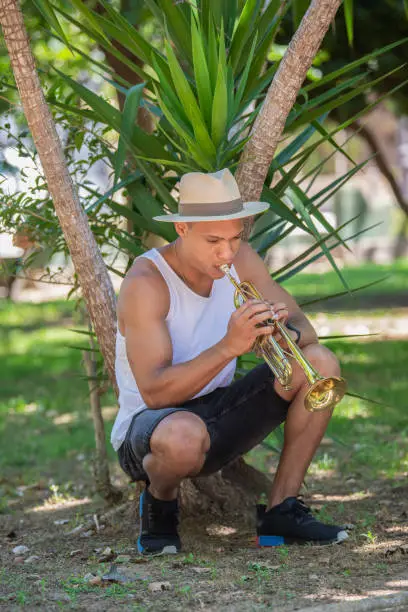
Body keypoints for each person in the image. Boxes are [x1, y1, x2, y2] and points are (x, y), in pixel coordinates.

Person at [111, 168, 348, 555]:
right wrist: (228, 347)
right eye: (214, 241)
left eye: (235, 238)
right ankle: (160, 501)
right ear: (183, 229)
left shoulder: (240, 260)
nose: (226, 253)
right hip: (153, 430)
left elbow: (305, 329)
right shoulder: (147, 282)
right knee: (183, 435)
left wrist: (281, 335)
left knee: (320, 362)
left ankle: (281, 510)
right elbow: (154, 393)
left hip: (219, 415)